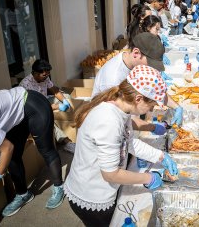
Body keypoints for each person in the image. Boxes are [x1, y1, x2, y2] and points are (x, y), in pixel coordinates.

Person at [65, 66, 178, 227]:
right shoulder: (108, 120)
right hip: (92, 195)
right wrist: (148, 178)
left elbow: (129, 142)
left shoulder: (121, 109)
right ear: (138, 98)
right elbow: (110, 174)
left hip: (100, 186)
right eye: (152, 104)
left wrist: (160, 156)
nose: (153, 109)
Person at [0, 87, 65, 216]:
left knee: (46, 150)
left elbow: (7, 148)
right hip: (16, 114)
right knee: (13, 156)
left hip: (34, 105)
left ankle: (59, 187)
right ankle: (23, 194)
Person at [92, 32, 183, 128]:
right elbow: (122, 120)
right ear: (136, 53)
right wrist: (153, 128)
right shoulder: (113, 78)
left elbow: (153, 90)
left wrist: (176, 107)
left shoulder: (133, 64)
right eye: (150, 63)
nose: (151, 68)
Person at [19, 59, 75, 153]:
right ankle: (66, 142)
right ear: (35, 73)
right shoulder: (25, 85)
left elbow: (54, 90)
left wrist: (64, 101)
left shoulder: (45, 77)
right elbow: (37, 108)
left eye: (48, 74)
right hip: (34, 110)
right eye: (44, 75)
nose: (46, 77)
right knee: (47, 120)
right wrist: (57, 107)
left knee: (67, 96)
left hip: (44, 101)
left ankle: (71, 121)